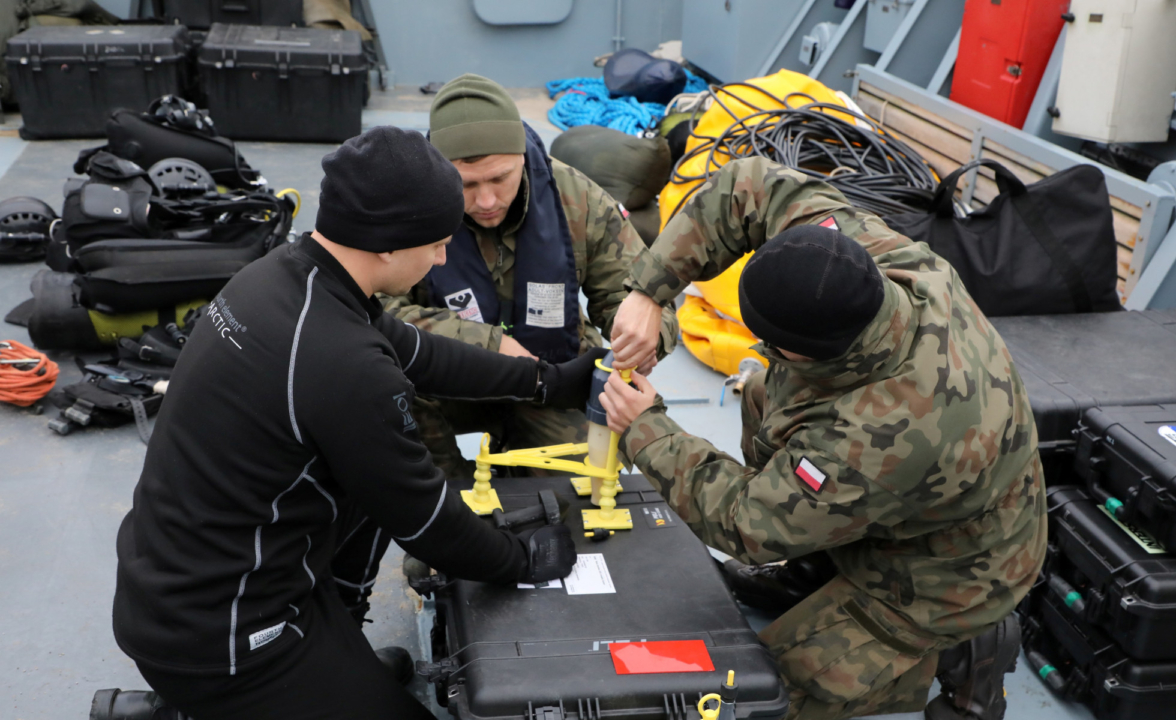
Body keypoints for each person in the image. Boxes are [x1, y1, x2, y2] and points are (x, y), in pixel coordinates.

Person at [93, 127, 601, 720]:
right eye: (437, 243)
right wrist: (522, 560)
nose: (441, 257)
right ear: (387, 246)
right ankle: (190, 707)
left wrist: (546, 381)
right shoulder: (338, 361)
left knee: (353, 480)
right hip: (225, 638)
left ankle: (331, 658)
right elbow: (426, 520)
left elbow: (416, 351)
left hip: (190, 584)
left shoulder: (289, 277)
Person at [600, 157, 1047, 720]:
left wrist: (646, 428)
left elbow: (748, 523)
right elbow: (750, 185)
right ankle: (817, 560)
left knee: (761, 697)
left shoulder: (879, 433)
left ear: (804, 348)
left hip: (952, 569)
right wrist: (649, 291)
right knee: (766, 392)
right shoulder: (876, 259)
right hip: (919, 499)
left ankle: (966, 651)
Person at [382, 73, 678, 477]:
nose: (486, 201)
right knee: (376, 407)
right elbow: (369, 312)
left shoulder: (575, 198)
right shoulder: (404, 204)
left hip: (550, 376)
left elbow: (639, 290)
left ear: (523, 157)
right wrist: (491, 346)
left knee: (588, 480)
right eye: (465, 185)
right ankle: (444, 491)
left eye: (501, 178)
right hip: (442, 379)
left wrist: (647, 336)